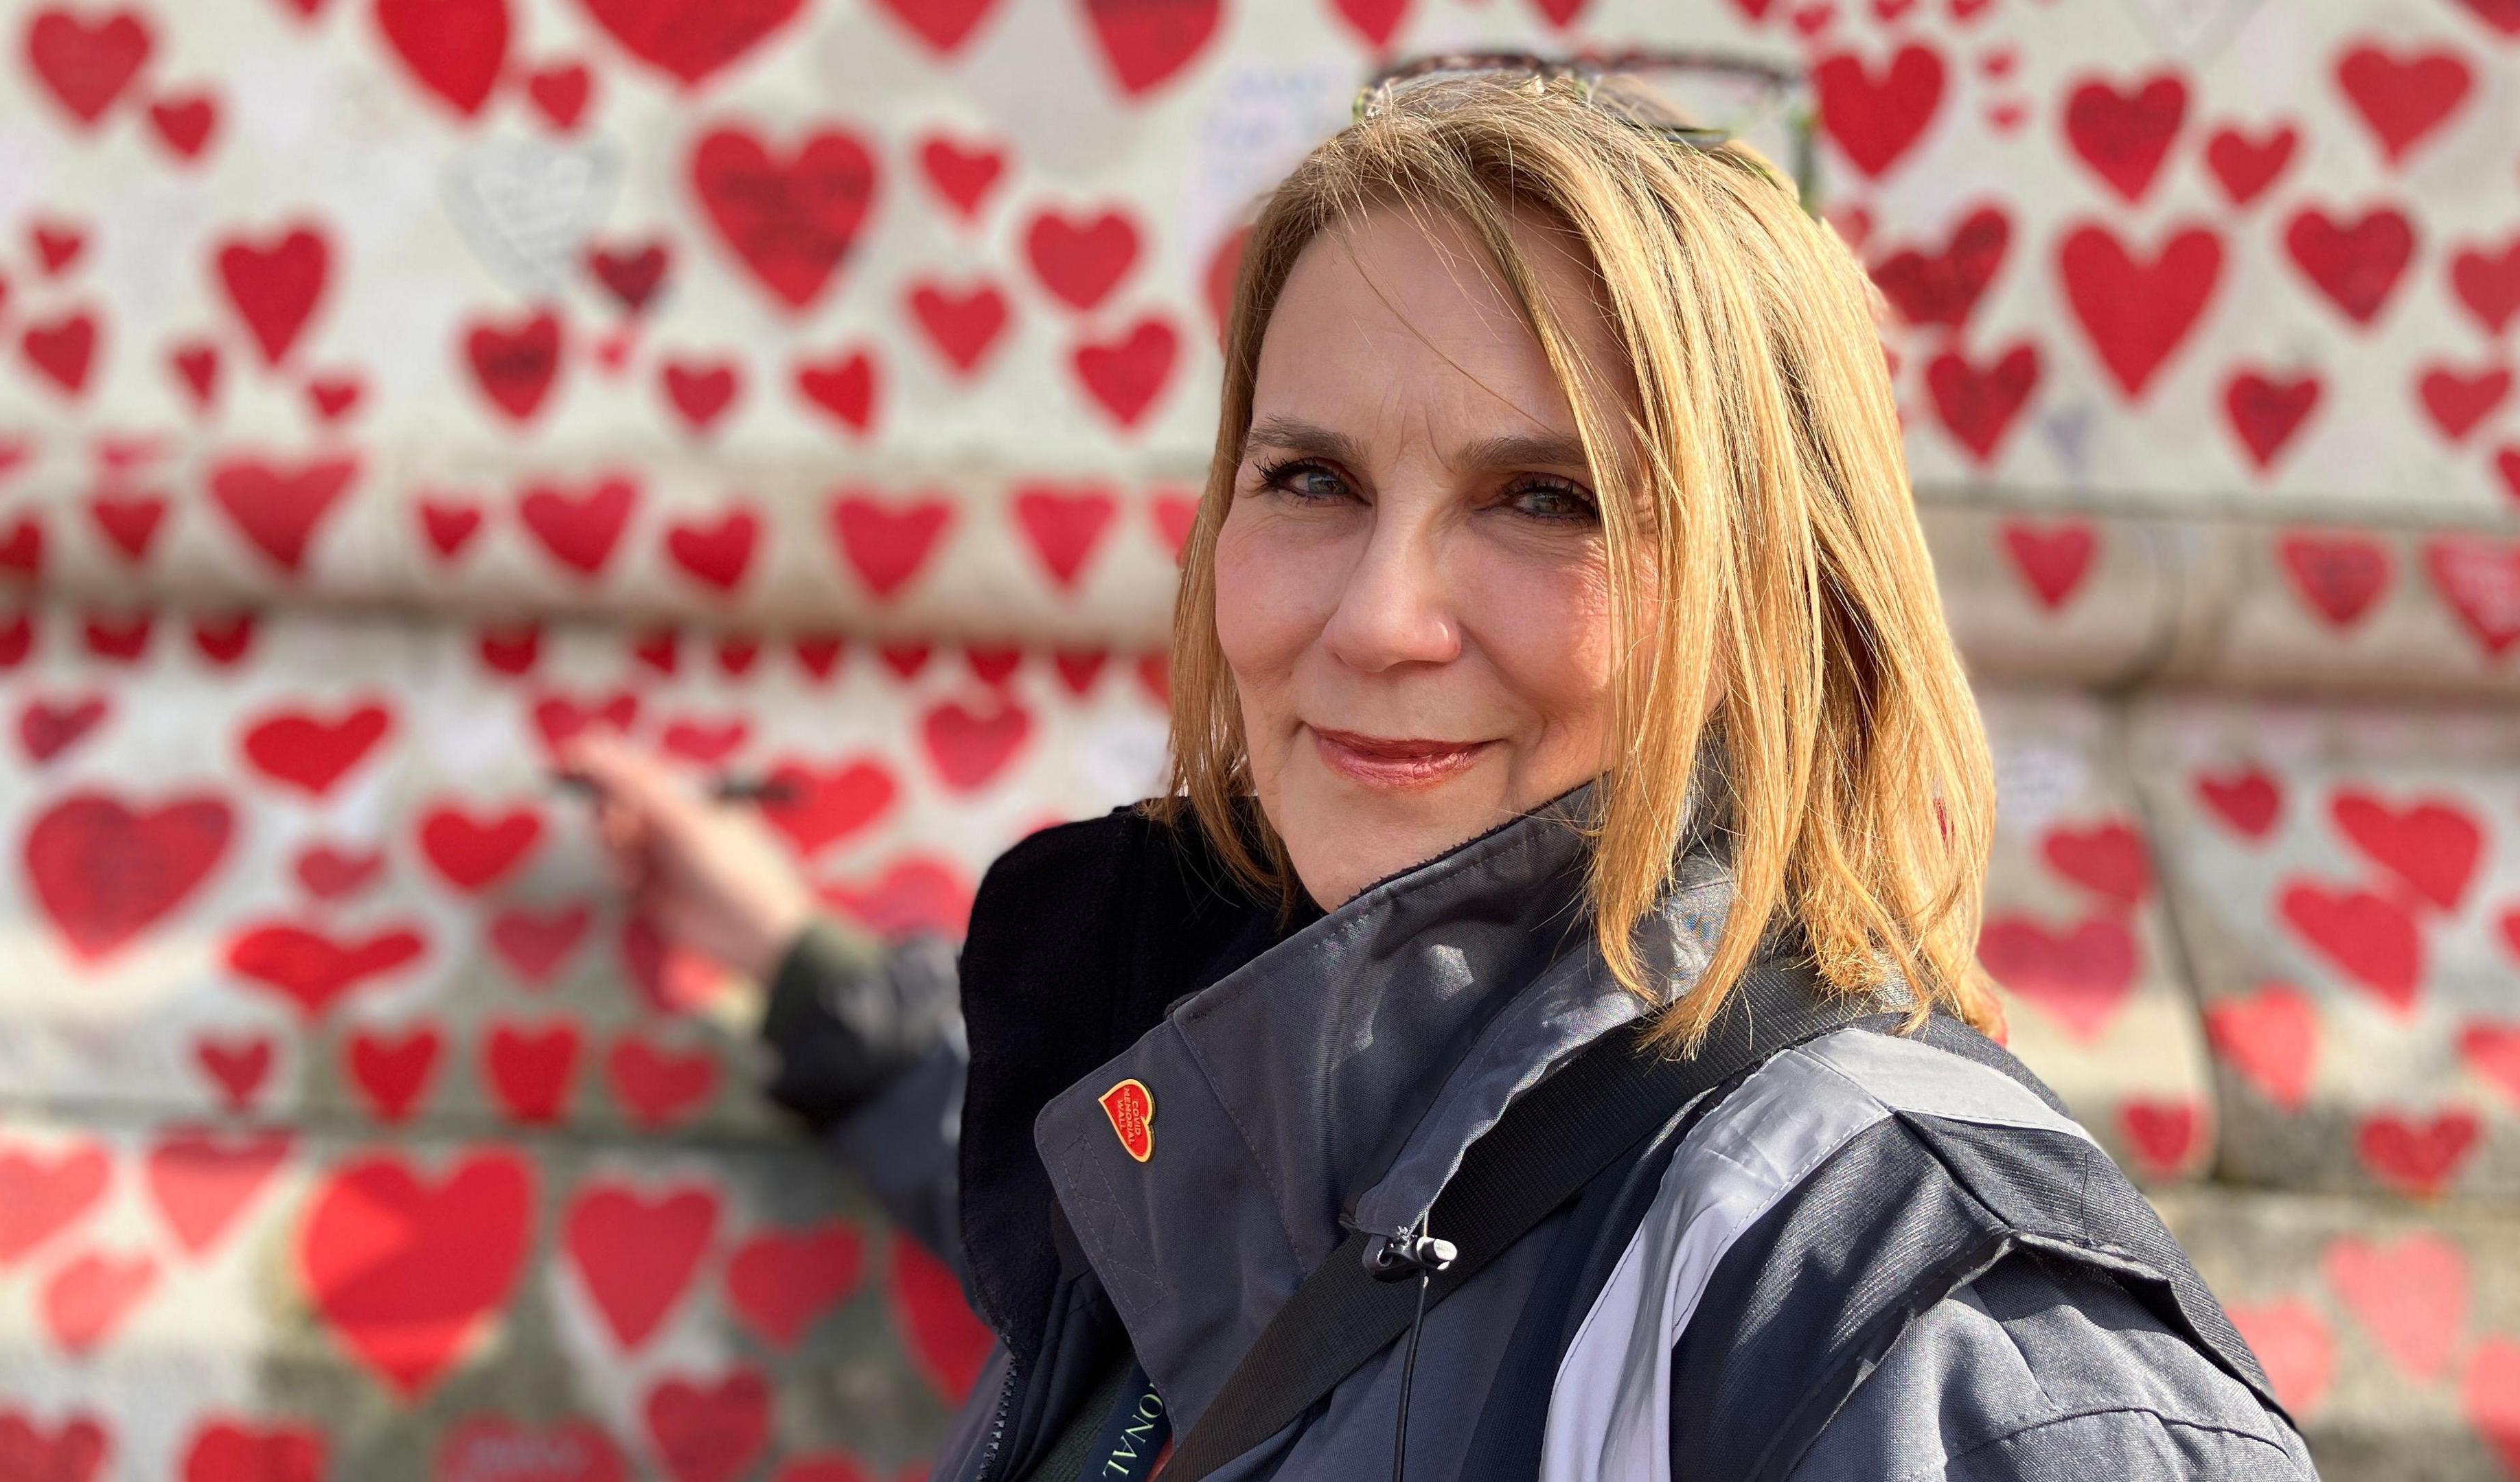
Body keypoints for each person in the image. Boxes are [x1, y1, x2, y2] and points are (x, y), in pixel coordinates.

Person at [564, 60, 2318, 1482]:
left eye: (1543, 500)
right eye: (1311, 480)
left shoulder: (1903, 1289)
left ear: (1770, 592)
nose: (1380, 619)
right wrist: (809, 982)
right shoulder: (1263, 1129)